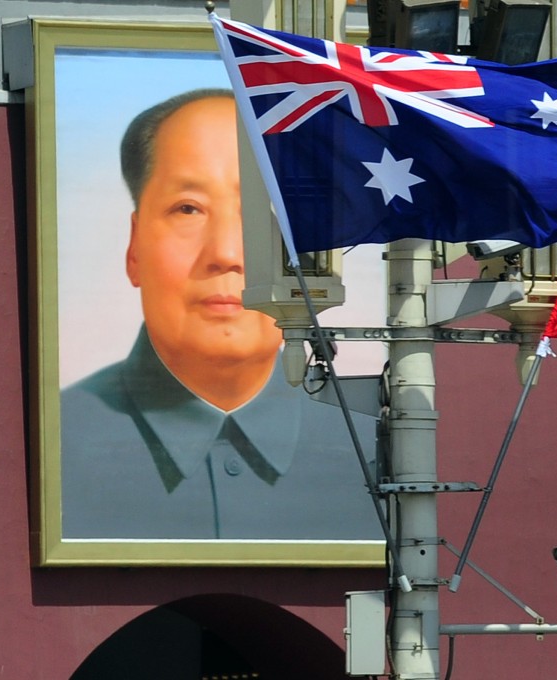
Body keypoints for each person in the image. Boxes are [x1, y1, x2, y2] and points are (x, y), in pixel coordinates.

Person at [60, 89, 380, 541]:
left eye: (263, 212)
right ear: (134, 247)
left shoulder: (377, 449)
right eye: (188, 209)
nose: (226, 254)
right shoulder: (55, 445)